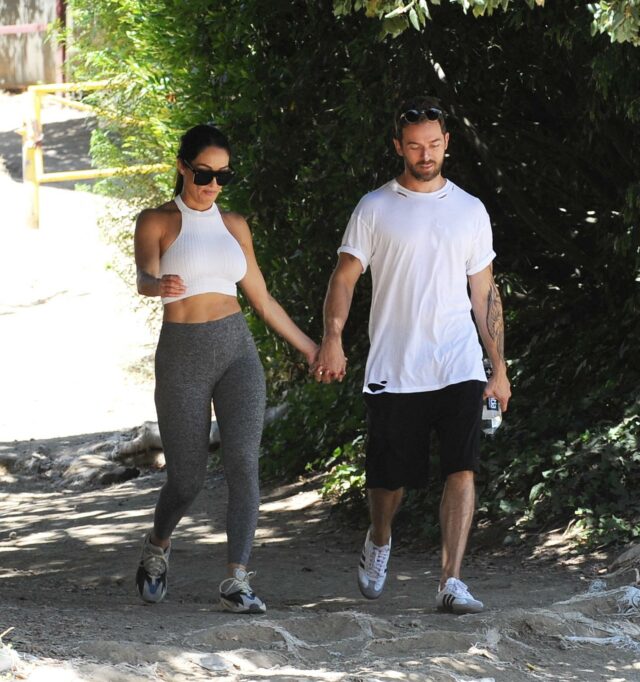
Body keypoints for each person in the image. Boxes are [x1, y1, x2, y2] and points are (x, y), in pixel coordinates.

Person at [313, 97, 511, 614]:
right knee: (388, 480)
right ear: (399, 147)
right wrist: (333, 336)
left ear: (447, 142)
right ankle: (380, 539)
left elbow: (485, 293)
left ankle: (451, 580)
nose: (426, 154)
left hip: (458, 362)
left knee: (461, 468)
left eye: (434, 144)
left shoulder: (470, 210)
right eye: (415, 146)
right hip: (395, 367)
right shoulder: (375, 208)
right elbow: (345, 277)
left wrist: (498, 367)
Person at [133, 123, 318, 614]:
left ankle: (237, 577)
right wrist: (158, 285)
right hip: (183, 355)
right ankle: (157, 546)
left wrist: (311, 348)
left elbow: (261, 297)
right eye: (203, 173)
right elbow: (143, 277)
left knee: (243, 461)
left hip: (237, 351)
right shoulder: (157, 220)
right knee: (187, 480)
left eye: (223, 176)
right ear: (182, 167)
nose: (213, 184)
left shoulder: (234, 225)